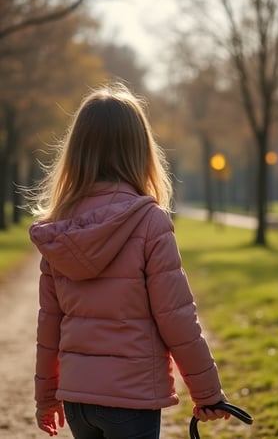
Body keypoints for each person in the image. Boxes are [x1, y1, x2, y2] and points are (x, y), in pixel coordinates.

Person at [29, 83, 230, 439]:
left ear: (76, 150)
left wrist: (46, 396)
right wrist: (207, 393)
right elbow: (177, 319)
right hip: (131, 399)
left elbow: (50, 325)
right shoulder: (149, 222)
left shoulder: (58, 229)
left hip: (77, 400)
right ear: (141, 151)